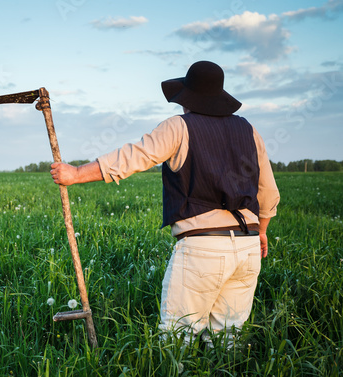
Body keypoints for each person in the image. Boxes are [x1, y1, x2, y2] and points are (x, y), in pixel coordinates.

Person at [50, 61, 280, 347]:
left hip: (203, 248)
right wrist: (262, 231)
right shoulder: (248, 130)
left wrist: (76, 174)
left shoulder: (179, 127)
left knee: (176, 340)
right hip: (247, 249)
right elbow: (267, 190)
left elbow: (133, 157)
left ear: (187, 98)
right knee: (226, 343)